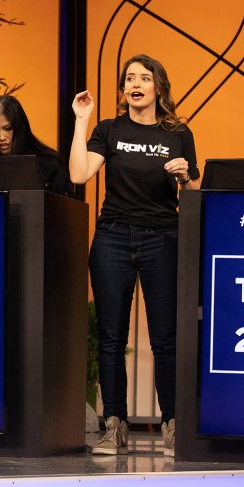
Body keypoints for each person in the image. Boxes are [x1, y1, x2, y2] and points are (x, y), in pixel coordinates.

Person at [69, 54, 200, 457]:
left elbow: (193, 194)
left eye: (144, 78)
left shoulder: (178, 133)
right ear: (123, 88)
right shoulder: (109, 129)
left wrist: (185, 176)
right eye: (129, 78)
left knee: (166, 339)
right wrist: (82, 120)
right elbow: (78, 174)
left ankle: (172, 425)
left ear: (159, 87)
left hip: (163, 237)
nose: (136, 84)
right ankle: (115, 426)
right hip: (112, 237)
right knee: (111, 338)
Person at [0, 94, 74, 197]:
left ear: (20, 127)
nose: (2, 137)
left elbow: (68, 205)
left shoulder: (49, 163)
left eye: (8, 128)